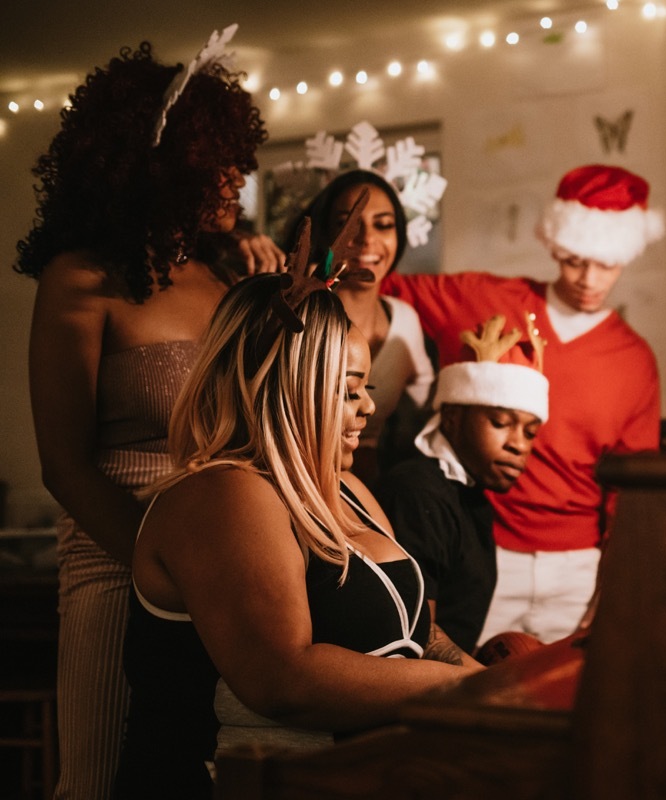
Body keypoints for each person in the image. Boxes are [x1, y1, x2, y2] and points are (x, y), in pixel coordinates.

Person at [13, 29, 284, 800]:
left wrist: (277, 297)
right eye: (220, 161)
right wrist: (164, 568)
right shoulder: (82, 280)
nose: (238, 177)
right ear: (163, 165)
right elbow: (64, 465)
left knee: (209, 771)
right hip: (116, 554)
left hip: (229, 554)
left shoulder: (226, 271)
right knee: (98, 780)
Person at [113, 265, 481, 798]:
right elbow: (284, 678)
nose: (369, 407)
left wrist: (507, 688)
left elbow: (419, 636)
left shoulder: (350, 487)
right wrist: (461, 689)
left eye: (368, 387)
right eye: (350, 389)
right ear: (292, 387)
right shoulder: (226, 493)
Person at [381, 164, 664, 644]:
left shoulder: (635, 360)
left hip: (579, 568)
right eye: (575, 259)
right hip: (485, 548)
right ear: (555, 245)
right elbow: (373, 283)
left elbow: (631, 489)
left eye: (607, 263)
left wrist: (615, 577)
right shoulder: (485, 298)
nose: (589, 279)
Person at [375, 313, 549, 653]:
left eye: (530, 432)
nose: (520, 444)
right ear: (453, 418)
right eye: (500, 422)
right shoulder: (417, 492)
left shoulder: (472, 496)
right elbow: (417, 637)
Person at [298, 169, 435, 484]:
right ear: (323, 234)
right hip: (302, 478)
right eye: (348, 224)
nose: (367, 240)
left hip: (370, 486)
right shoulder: (302, 310)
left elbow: (427, 409)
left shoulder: (405, 320)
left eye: (383, 225)